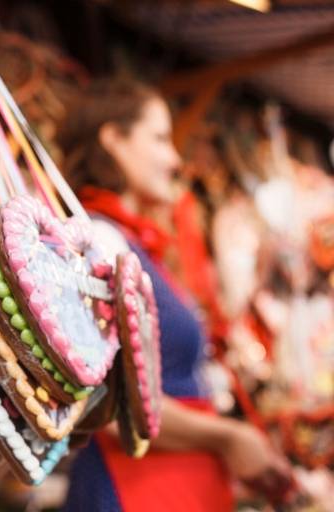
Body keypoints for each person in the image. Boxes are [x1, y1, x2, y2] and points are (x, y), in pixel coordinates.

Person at [60, 79, 290, 511]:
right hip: (133, 487)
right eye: (161, 138)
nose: (175, 158)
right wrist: (229, 437)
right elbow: (104, 401)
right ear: (114, 139)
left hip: (167, 485)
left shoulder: (134, 244)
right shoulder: (100, 240)